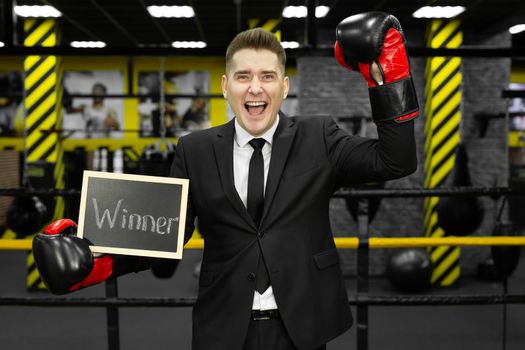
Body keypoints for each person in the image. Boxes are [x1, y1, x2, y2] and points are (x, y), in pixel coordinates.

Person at [33, 12, 418, 350]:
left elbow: (395, 160)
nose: (255, 88)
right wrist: (93, 259)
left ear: (284, 87)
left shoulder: (319, 137)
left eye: (268, 76)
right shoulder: (195, 149)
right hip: (225, 327)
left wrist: (390, 75)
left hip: (304, 324)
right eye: (243, 76)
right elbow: (167, 232)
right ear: (225, 86)